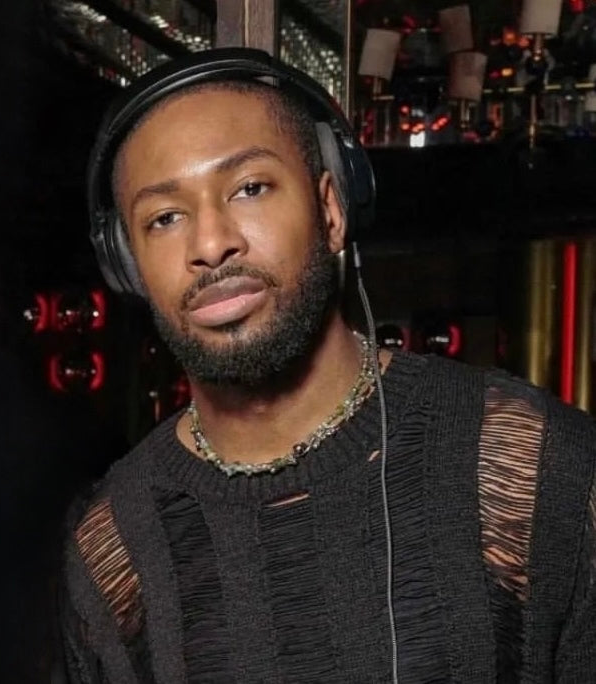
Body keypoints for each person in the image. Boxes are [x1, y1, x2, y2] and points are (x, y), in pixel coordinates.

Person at [60, 48, 596, 683]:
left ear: (333, 211)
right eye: (165, 217)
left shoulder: (532, 464)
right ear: (129, 267)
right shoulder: (112, 544)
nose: (210, 244)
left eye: (250, 188)